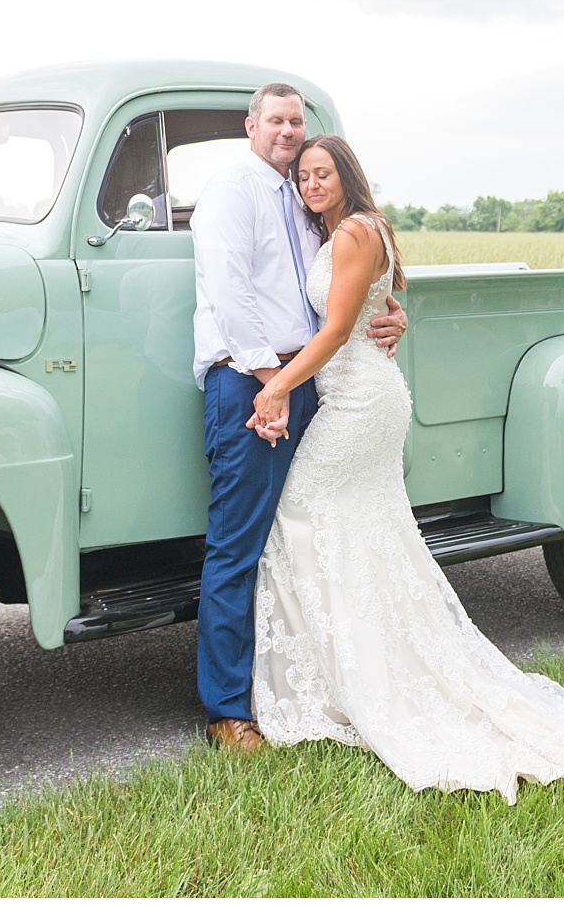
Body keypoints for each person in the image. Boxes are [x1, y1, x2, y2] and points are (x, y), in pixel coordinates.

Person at [246, 134, 564, 807]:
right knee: (362, 534)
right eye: (304, 177)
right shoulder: (357, 230)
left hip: (360, 402)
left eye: (323, 173)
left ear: (345, 175)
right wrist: (390, 317)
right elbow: (376, 308)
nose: (312, 184)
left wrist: (276, 386)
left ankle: (350, 678)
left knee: (300, 514)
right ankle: (356, 668)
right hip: (363, 394)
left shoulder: (352, 233)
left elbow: (339, 328)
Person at [190, 83, 407, 753]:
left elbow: (347, 288)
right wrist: (270, 385)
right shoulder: (233, 190)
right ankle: (228, 710)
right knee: (239, 544)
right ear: (250, 125)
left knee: (303, 538)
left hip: (302, 381)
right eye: (275, 120)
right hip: (251, 382)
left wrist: (391, 312)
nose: (287, 131)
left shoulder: (301, 199)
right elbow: (229, 293)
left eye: (296, 121)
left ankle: (307, 683)